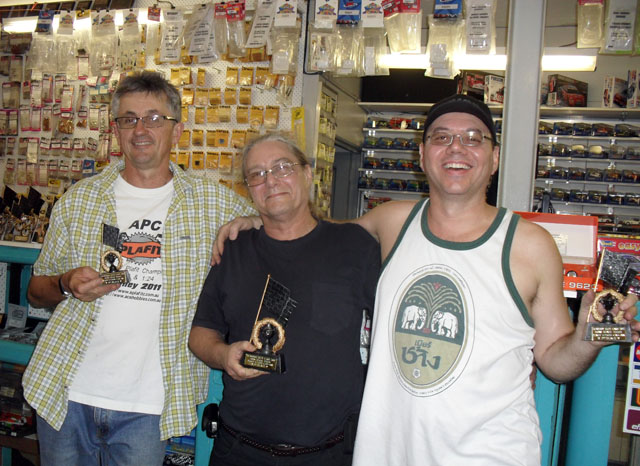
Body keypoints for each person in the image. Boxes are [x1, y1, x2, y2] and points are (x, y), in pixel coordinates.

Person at [212, 95, 639, 465]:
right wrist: (259, 219)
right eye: (441, 137)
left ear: (493, 158)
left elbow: (554, 362)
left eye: (474, 138)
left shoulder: (530, 245)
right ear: (422, 156)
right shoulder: (391, 222)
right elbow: (314, 238)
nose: (457, 147)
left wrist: (590, 336)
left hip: (490, 454)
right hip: (386, 453)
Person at [22, 71, 255, 465]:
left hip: (149, 406)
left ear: (177, 130)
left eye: (153, 118)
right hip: (65, 393)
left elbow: (285, 226)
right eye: (128, 119)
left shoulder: (213, 203)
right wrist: (65, 284)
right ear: (116, 130)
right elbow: (36, 291)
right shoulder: (79, 200)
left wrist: (253, 222)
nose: (140, 129)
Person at [189, 132, 380, 466]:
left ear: (307, 173)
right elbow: (201, 334)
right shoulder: (233, 250)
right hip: (239, 451)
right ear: (248, 189)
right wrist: (223, 354)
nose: (271, 181)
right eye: (257, 174)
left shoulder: (356, 247)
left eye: (282, 167)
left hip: (329, 454)